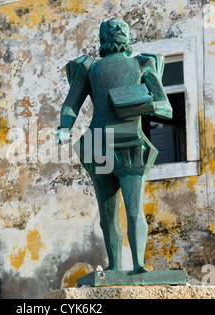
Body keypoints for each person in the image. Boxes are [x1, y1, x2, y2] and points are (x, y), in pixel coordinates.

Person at [55, 18, 172, 273]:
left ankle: (139, 264)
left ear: (127, 37)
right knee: (107, 216)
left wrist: (142, 103)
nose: (117, 33)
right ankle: (115, 266)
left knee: (134, 210)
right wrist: (64, 128)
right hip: (97, 145)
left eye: (121, 30)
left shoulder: (143, 63)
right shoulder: (89, 68)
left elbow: (166, 107)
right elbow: (71, 103)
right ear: (103, 38)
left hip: (131, 145)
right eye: (112, 30)